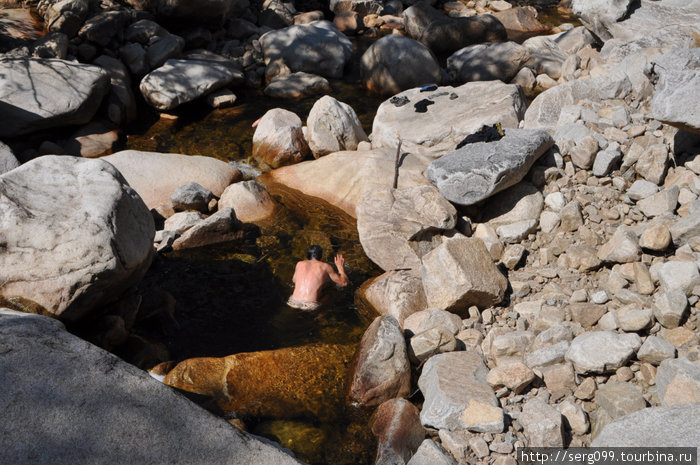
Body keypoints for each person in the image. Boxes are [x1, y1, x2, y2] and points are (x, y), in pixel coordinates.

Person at [287, 245, 349, 311]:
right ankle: (322, 315)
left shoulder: (299, 264)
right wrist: (340, 267)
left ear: (308, 255)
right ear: (321, 256)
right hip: (311, 305)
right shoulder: (325, 266)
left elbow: (294, 280)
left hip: (293, 301)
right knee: (332, 293)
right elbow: (344, 283)